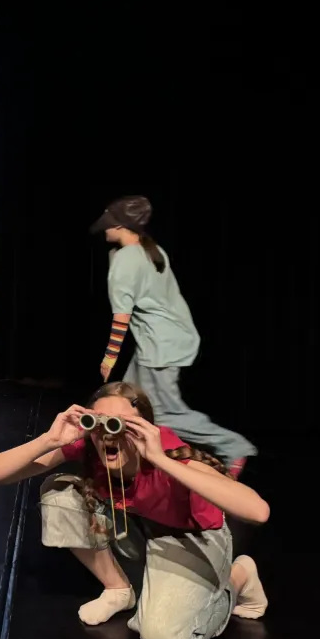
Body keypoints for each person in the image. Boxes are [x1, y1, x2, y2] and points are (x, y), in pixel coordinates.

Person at [0, 381, 269, 639]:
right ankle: (118, 588)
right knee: (60, 493)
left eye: (121, 425)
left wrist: (160, 458)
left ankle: (238, 577)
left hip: (189, 536)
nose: (109, 435)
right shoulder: (90, 446)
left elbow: (258, 511)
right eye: (100, 423)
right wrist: (49, 439)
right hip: (139, 525)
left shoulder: (166, 451)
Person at [90, 195, 256, 476]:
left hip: (160, 345)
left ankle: (233, 446)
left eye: (108, 223)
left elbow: (122, 316)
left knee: (161, 412)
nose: (104, 229)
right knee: (126, 399)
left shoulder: (127, 259)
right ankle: (127, 458)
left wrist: (109, 357)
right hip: (164, 339)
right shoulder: (150, 250)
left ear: (120, 225)